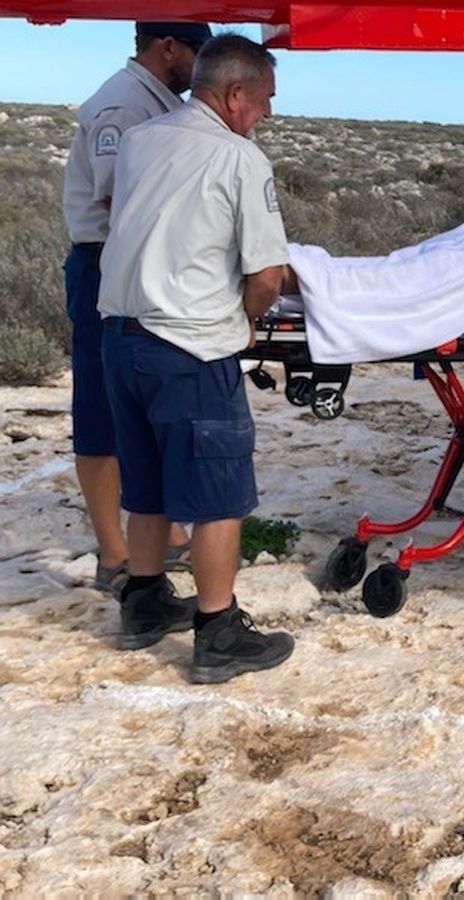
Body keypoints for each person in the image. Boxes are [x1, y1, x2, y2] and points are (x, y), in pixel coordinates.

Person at [98, 33, 294, 683]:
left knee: (147, 483)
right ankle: (218, 631)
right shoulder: (241, 160)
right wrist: (243, 320)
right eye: (264, 101)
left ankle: (144, 601)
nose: (265, 113)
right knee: (218, 495)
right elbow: (267, 274)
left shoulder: (141, 139)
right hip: (188, 345)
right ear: (235, 94)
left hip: (121, 340)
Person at [62, 21, 211, 593]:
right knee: (102, 407)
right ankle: (114, 551)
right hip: (108, 262)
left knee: (142, 401)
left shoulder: (152, 102)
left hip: (133, 259)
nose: (202, 67)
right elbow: (115, 192)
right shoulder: (122, 106)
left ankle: (162, 532)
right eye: (198, 53)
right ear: (167, 47)